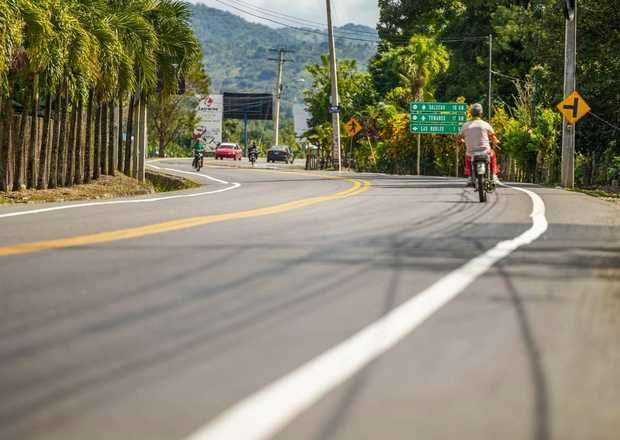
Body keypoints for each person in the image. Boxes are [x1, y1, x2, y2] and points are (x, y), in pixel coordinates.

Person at [458, 103, 500, 184]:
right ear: (481, 113)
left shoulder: (465, 125)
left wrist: (463, 141)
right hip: (485, 152)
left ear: (470, 113)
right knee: (493, 154)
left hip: (471, 152)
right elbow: (493, 137)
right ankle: (494, 175)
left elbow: (459, 138)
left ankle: (470, 176)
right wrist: (496, 142)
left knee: (467, 156)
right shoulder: (485, 124)